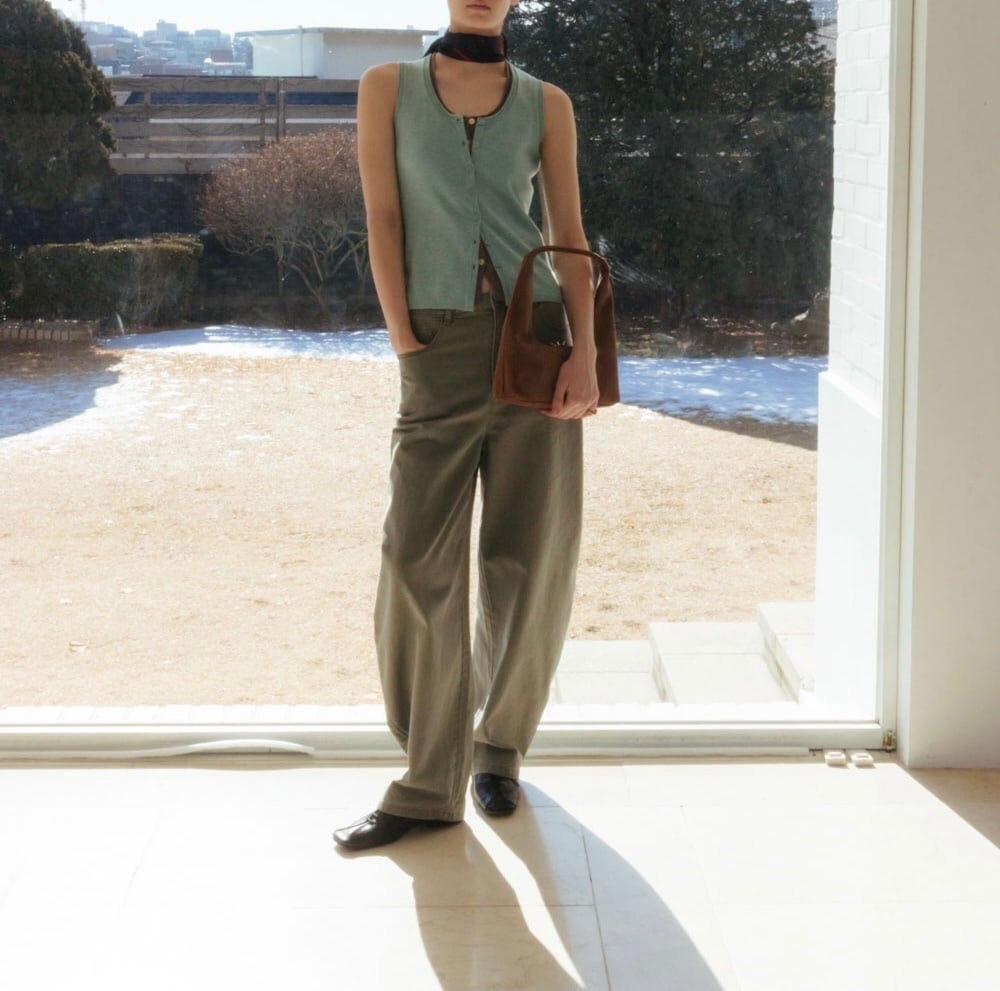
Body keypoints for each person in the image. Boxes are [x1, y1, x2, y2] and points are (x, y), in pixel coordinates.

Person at [334, 0, 599, 851]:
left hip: (538, 340)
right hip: (436, 342)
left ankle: (499, 748)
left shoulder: (547, 102)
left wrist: (586, 350)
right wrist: (402, 335)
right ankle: (427, 776)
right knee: (415, 555)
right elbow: (383, 216)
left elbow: (567, 232)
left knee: (529, 557)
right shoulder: (388, 87)